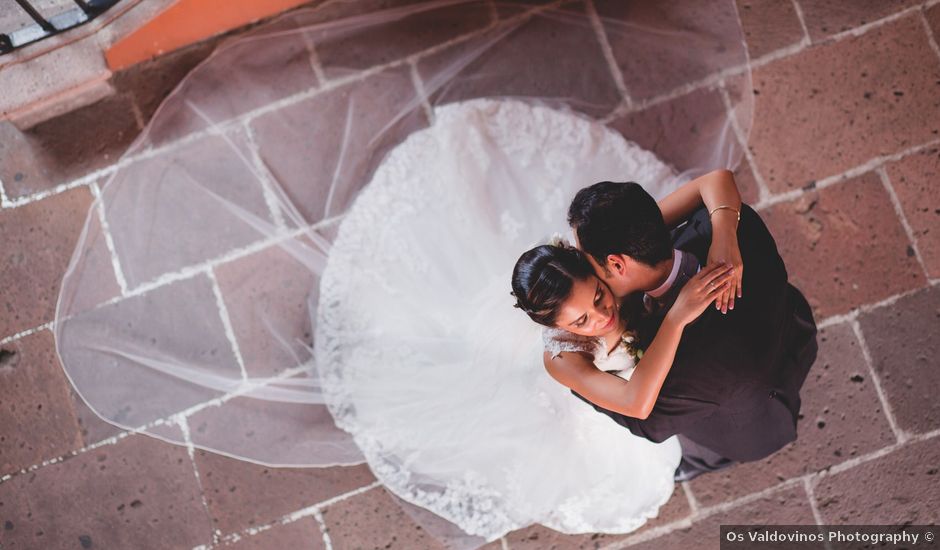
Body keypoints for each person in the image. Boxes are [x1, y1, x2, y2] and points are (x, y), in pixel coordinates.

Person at [564, 175, 819, 480]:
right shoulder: (727, 222)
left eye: (584, 259)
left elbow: (649, 424)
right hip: (792, 331)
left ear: (617, 264)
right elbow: (716, 182)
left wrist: (578, 375)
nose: (579, 265)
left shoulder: (687, 369)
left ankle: (707, 462)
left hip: (749, 420)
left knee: (705, 447)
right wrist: (725, 230)